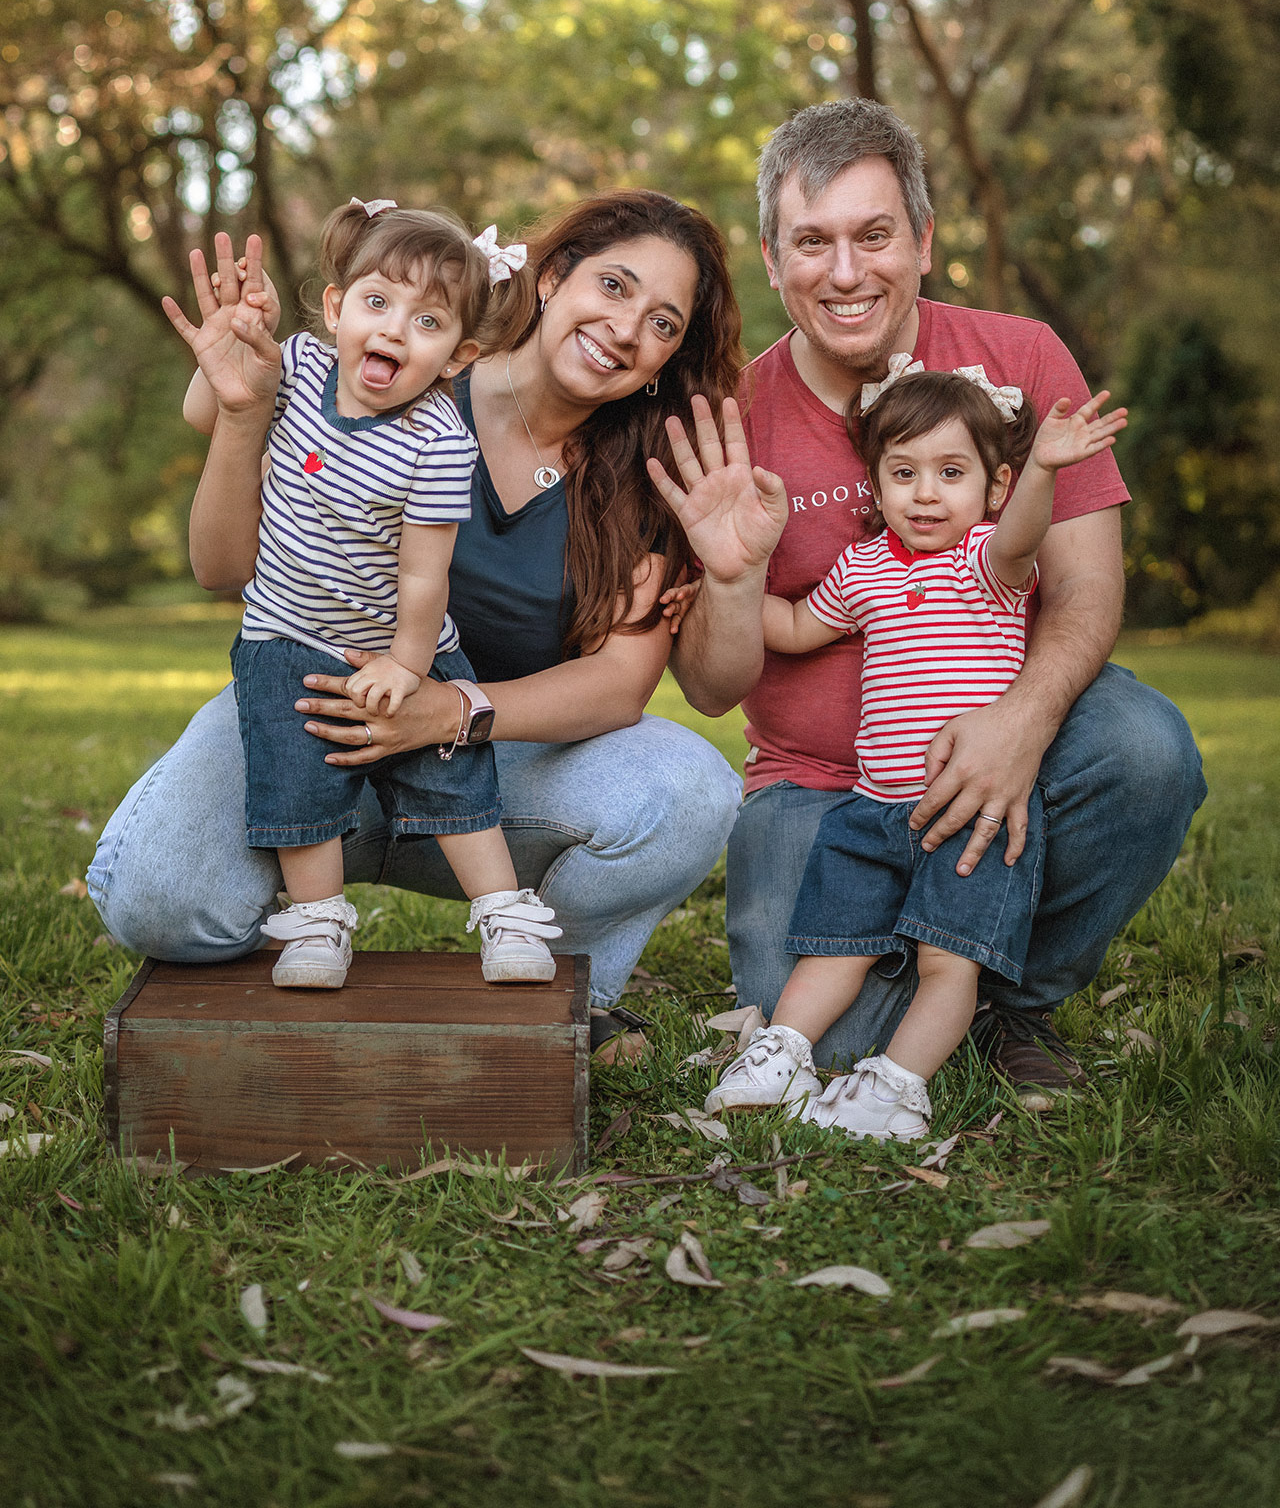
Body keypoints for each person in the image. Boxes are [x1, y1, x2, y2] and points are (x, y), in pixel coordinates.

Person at [88, 191, 745, 1055]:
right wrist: (245, 415)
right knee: (156, 900)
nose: (627, 328)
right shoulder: (385, 376)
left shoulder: (645, 475)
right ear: (550, 279)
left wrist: (452, 710)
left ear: (668, 357)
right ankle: (309, 914)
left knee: (693, 790)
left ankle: (564, 994)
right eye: (613, 287)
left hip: (481, 765)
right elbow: (221, 569)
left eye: (662, 322)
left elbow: (622, 685)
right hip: (311, 711)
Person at [655, 98, 1206, 1101]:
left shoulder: (1021, 357)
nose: (846, 271)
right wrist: (732, 576)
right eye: (811, 243)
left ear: (922, 241)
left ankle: (1003, 995)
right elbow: (707, 685)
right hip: (821, 788)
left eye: (873, 235)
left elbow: (1084, 585)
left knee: (1144, 749)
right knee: (820, 1036)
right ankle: (940, 960)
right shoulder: (728, 416)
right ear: (773, 262)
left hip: (1002, 738)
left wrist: (1020, 723)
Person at [704, 368, 1125, 1138]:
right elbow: (797, 628)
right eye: (904, 474)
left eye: (951, 473)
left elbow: (1027, 532)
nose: (926, 494)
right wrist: (721, 583)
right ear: (875, 486)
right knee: (832, 947)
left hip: (970, 811)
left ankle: (898, 1087)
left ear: (992, 488)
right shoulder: (863, 568)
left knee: (946, 962)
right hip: (869, 809)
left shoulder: (986, 563)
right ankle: (781, 1052)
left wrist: (1043, 470)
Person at [165, 198, 563, 990]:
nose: (392, 331)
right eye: (378, 304)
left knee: (450, 779)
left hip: (401, 643)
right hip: (285, 634)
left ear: (458, 356)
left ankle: (502, 910)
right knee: (296, 777)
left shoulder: (439, 441)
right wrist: (231, 364)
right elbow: (206, 411)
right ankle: (318, 923)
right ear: (338, 307)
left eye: (428, 322)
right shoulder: (299, 367)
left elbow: (425, 574)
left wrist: (408, 667)